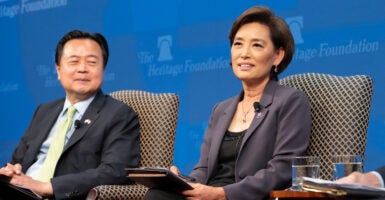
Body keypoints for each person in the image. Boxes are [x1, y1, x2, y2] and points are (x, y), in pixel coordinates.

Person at [145, 6, 311, 200]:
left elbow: (282, 169)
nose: (244, 53)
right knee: (158, 193)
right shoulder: (221, 109)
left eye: (256, 45)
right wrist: (180, 180)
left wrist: (223, 193)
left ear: (277, 55)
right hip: (209, 194)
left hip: (246, 196)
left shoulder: (290, 101)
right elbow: (204, 170)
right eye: (238, 44)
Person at [0, 30, 140, 199]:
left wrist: (49, 187)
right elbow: (18, 161)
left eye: (91, 62)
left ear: (103, 69)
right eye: (73, 61)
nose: (82, 69)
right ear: (58, 70)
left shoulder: (119, 115)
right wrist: (11, 171)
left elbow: (115, 171)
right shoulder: (44, 111)